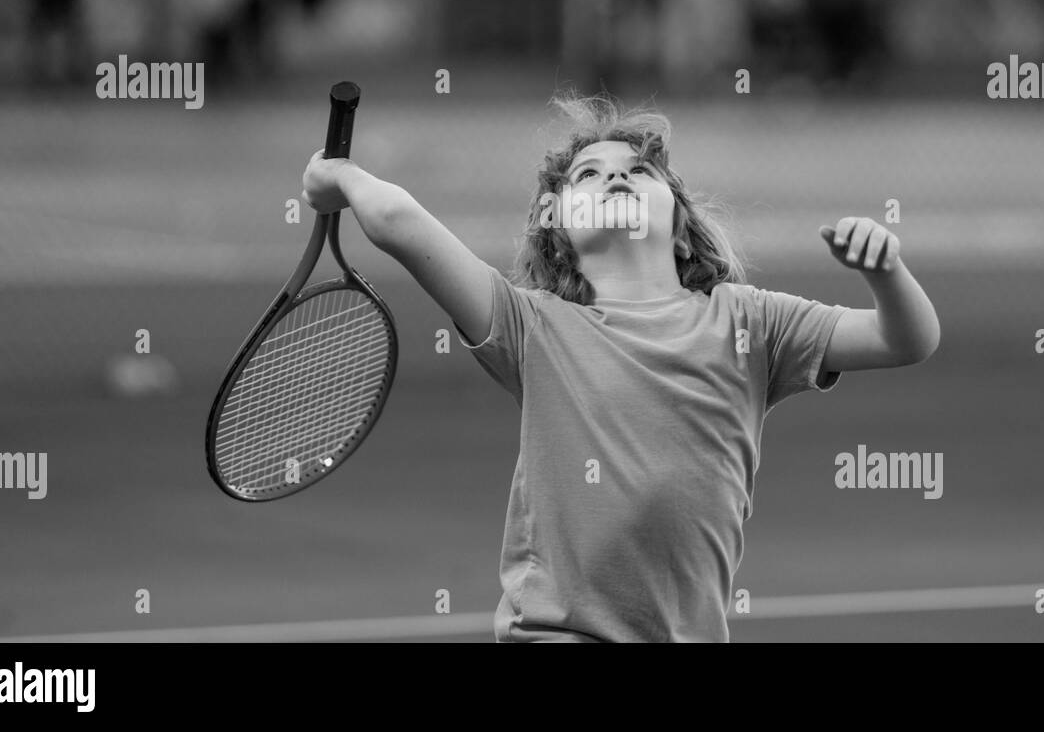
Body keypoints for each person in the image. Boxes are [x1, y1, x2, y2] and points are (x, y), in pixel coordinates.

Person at [300, 92, 940, 642]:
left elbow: (905, 339)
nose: (616, 177)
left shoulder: (751, 322)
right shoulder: (533, 326)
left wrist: (886, 273)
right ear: (555, 223)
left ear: (681, 226)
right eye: (587, 174)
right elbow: (400, 221)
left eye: (639, 170)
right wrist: (345, 179)